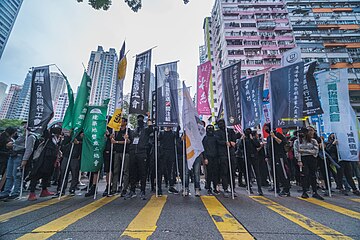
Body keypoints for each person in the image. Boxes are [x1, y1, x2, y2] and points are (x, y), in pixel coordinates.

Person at [26, 126, 62, 201]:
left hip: (51, 161)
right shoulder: (49, 138)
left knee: (47, 176)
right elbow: (44, 130)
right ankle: (32, 193)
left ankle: (44, 190)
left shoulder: (58, 140)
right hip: (43, 160)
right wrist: (48, 118)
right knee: (36, 175)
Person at [294, 127, 323, 200]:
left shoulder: (313, 141)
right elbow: (296, 151)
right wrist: (299, 160)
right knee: (304, 175)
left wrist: (304, 151)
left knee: (313, 175)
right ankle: (304, 191)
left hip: (312, 159)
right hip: (303, 159)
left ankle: (315, 191)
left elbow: (315, 151)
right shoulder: (297, 141)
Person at [128, 115, 153, 200]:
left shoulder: (146, 130)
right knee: (133, 172)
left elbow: (151, 129)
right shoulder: (134, 130)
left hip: (142, 153)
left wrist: (149, 119)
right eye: (138, 119)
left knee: (143, 173)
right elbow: (131, 140)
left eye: (141, 119)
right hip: (133, 153)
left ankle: (143, 190)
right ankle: (132, 190)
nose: (140, 120)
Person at [0, 123, 27, 200]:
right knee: (9, 175)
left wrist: (25, 159)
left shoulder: (30, 137)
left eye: (25, 126)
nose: (24, 127)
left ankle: (15, 192)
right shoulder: (20, 136)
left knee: (16, 175)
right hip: (12, 155)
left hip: (19, 156)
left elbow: (28, 149)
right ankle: (6, 191)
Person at [265, 123, 291, 196]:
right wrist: (267, 156)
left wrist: (274, 137)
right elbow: (268, 147)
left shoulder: (278, 135)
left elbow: (283, 143)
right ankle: (276, 187)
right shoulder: (268, 137)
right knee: (274, 173)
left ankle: (286, 189)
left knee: (282, 172)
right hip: (272, 157)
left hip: (280, 157)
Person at [56, 131, 83, 196]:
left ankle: (72, 188)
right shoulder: (67, 137)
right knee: (63, 172)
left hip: (75, 157)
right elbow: (62, 145)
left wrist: (78, 142)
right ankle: (61, 189)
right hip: (66, 156)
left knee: (74, 173)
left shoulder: (80, 135)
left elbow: (84, 144)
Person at [111, 118, 133, 196]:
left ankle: (125, 188)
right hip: (117, 152)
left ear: (126, 123)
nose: (120, 122)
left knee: (125, 171)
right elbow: (112, 140)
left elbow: (129, 141)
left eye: (122, 121)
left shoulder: (128, 131)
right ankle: (114, 188)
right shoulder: (117, 131)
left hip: (125, 153)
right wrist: (111, 137)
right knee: (116, 170)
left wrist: (119, 141)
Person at [215, 119, 236, 198]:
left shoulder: (230, 131)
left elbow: (234, 140)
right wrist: (225, 143)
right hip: (223, 154)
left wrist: (231, 142)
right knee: (224, 172)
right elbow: (218, 141)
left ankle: (233, 188)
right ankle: (225, 188)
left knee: (232, 172)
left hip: (231, 154)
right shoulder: (217, 132)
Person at [239, 128, 263, 195]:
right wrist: (242, 140)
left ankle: (259, 189)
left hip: (254, 157)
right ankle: (248, 187)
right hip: (247, 157)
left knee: (257, 173)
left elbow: (257, 145)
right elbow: (240, 147)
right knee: (248, 173)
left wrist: (252, 139)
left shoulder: (253, 139)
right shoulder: (244, 139)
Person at [158, 126, 179, 195]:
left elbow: (177, 136)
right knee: (161, 171)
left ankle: (171, 186)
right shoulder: (161, 133)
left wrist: (178, 127)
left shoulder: (173, 133)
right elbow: (158, 138)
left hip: (171, 154)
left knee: (171, 171)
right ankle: (159, 188)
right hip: (163, 154)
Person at [202, 125, 220, 195]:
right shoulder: (205, 138)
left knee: (215, 173)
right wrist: (205, 158)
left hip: (215, 157)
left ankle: (215, 187)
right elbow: (204, 149)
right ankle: (209, 187)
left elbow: (218, 148)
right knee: (209, 173)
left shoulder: (215, 138)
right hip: (208, 157)